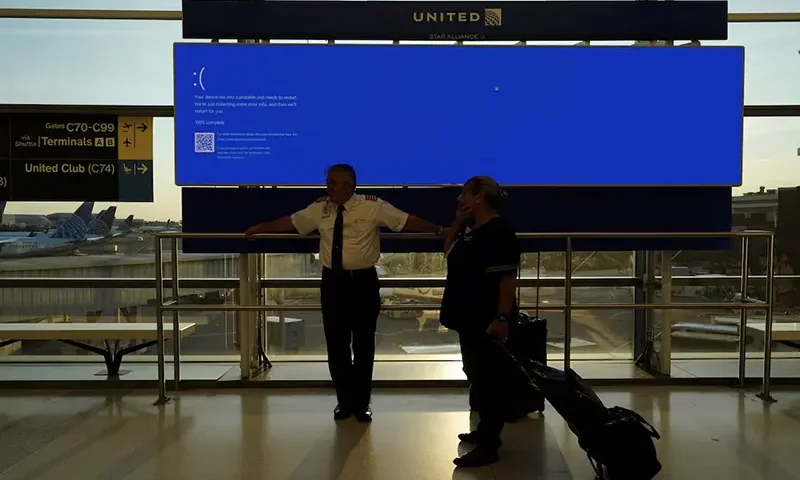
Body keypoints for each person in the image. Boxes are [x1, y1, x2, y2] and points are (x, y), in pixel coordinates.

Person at [245, 164, 447, 422]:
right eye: (329, 182)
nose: (332, 187)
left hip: (363, 282)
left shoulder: (372, 206)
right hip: (333, 283)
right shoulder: (321, 208)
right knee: (337, 345)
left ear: (352, 186)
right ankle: (344, 401)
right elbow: (291, 222)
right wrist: (259, 228)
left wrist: (441, 231)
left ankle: (362, 403)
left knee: (363, 345)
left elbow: (406, 221)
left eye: (338, 183)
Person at [439, 176, 520, 468]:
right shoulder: (471, 229)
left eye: (464, 194)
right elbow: (446, 252)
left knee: (490, 379)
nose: (460, 199)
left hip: (486, 318)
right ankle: (485, 431)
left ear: (478, 197)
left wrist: (501, 317)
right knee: (475, 372)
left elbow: (507, 279)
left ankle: (489, 443)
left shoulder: (499, 231)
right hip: (467, 316)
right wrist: (457, 223)